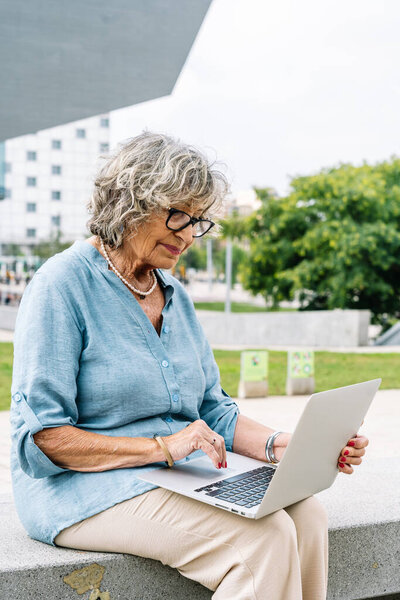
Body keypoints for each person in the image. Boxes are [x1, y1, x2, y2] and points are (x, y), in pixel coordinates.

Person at [10, 132, 368, 600]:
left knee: (308, 514)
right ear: (131, 202)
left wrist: (287, 447)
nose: (187, 235)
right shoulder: (61, 285)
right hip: (80, 490)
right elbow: (42, 440)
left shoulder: (174, 296)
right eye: (177, 214)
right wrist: (164, 446)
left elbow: (214, 411)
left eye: (197, 221)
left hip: (175, 474)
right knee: (263, 540)